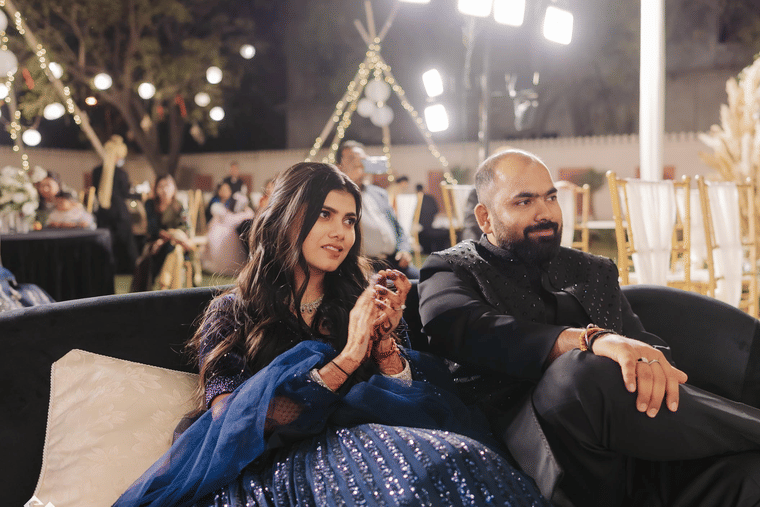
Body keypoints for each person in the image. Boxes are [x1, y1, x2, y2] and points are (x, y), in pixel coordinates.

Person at [418, 149, 760, 507]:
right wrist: (587, 340)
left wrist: (647, 359)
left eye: (549, 197)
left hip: (643, 459)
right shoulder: (452, 269)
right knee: (580, 374)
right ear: (485, 216)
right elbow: (454, 325)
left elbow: (649, 355)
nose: (545, 212)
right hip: (551, 459)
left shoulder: (592, 270)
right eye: (523, 201)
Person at [114, 162, 549, 507]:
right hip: (286, 464)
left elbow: (412, 398)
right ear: (286, 216)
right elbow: (235, 422)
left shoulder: (360, 299)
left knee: (461, 458)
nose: (340, 232)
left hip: (383, 439)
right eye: (325, 215)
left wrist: (382, 349)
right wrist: (349, 355)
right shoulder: (232, 313)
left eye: (349, 220)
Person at [335, 141, 419, 279]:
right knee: (388, 292)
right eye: (352, 159)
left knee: (427, 282)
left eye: (362, 158)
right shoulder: (340, 197)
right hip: (365, 266)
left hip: (395, 261)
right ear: (339, 167)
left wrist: (404, 250)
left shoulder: (379, 193)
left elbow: (397, 228)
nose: (359, 163)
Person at [130, 174, 195, 291]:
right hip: (156, 242)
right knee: (173, 251)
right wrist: (166, 237)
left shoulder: (179, 205)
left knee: (174, 250)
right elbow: (152, 229)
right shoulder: (150, 204)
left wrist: (164, 240)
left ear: (173, 188)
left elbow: (185, 229)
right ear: (156, 188)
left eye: (167, 186)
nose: (164, 190)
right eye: (161, 186)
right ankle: (174, 289)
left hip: (174, 243)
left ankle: (164, 285)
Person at [92, 135, 138, 273]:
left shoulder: (96, 171)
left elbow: (95, 191)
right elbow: (125, 193)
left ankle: (106, 267)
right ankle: (128, 268)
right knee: (125, 241)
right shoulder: (122, 173)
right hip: (119, 212)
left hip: (103, 211)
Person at [415, 183, 449, 254]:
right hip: (431, 225)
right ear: (423, 189)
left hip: (422, 228)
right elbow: (436, 210)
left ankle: (426, 252)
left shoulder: (416, 199)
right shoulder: (430, 198)